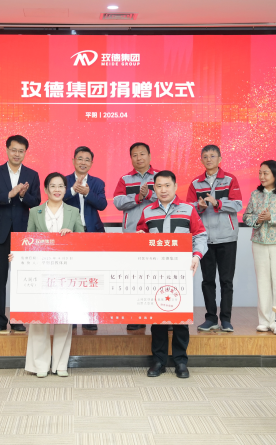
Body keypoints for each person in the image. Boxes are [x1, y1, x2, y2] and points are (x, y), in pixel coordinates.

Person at [9, 173, 84, 377]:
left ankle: (60, 364)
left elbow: (83, 241)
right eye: (53, 186)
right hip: (40, 273)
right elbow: (28, 241)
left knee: (63, 318)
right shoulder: (35, 211)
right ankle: (40, 365)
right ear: (46, 189)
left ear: (66, 189)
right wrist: (17, 256)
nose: (57, 189)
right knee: (39, 319)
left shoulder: (73, 211)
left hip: (66, 272)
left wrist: (72, 236)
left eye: (61, 186)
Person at [136, 170, 207, 379]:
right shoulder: (148, 211)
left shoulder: (188, 209)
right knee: (157, 316)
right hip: (156, 271)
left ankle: (180, 361)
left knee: (179, 317)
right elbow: (140, 236)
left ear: (175, 187)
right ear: (154, 188)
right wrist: (139, 237)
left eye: (167, 185)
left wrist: (196, 256)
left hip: (181, 272)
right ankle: (158, 360)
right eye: (159, 186)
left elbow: (200, 235)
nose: (163, 190)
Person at [0, 135, 41, 333]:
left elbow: (36, 202)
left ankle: (18, 319)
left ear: (25, 152)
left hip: (22, 233)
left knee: (20, 278)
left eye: (21, 151)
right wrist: (9, 194)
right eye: (14, 150)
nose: (17, 154)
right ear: (7, 150)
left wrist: (23, 196)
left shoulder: (32, 174)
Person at [186, 145, 242, 332]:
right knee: (207, 281)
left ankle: (226, 319)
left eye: (212, 156)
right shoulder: (195, 183)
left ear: (220, 159)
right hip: (205, 239)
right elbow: (188, 208)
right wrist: (199, 206)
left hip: (227, 237)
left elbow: (237, 204)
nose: (208, 159)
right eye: (205, 156)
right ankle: (210, 318)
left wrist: (218, 203)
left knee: (226, 281)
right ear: (201, 160)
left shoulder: (230, 179)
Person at [243, 160, 276, 335]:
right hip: (259, 242)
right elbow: (247, 217)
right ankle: (265, 320)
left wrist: (271, 217)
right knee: (263, 283)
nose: (262, 176)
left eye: (265, 173)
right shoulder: (255, 194)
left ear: (275, 174)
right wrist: (258, 219)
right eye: (260, 173)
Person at [114, 142, 159, 330]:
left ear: (149, 155)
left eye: (142, 154)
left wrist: (149, 194)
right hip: (132, 233)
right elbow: (117, 201)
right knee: (135, 276)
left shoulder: (160, 177)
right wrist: (138, 198)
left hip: (156, 233)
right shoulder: (125, 179)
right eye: (134, 155)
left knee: (157, 275)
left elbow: (169, 197)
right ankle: (137, 316)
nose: (139, 158)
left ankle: (161, 317)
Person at [64, 146, 107, 331]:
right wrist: (73, 190)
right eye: (80, 158)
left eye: (87, 159)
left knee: (91, 276)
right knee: (71, 277)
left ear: (91, 163)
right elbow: (56, 199)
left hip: (92, 233)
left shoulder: (97, 183)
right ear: (73, 160)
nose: (83, 162)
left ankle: (89, 316)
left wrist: (88, 193)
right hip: (69, 234)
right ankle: (72, 317)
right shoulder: (63, 181)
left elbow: (103, 204)